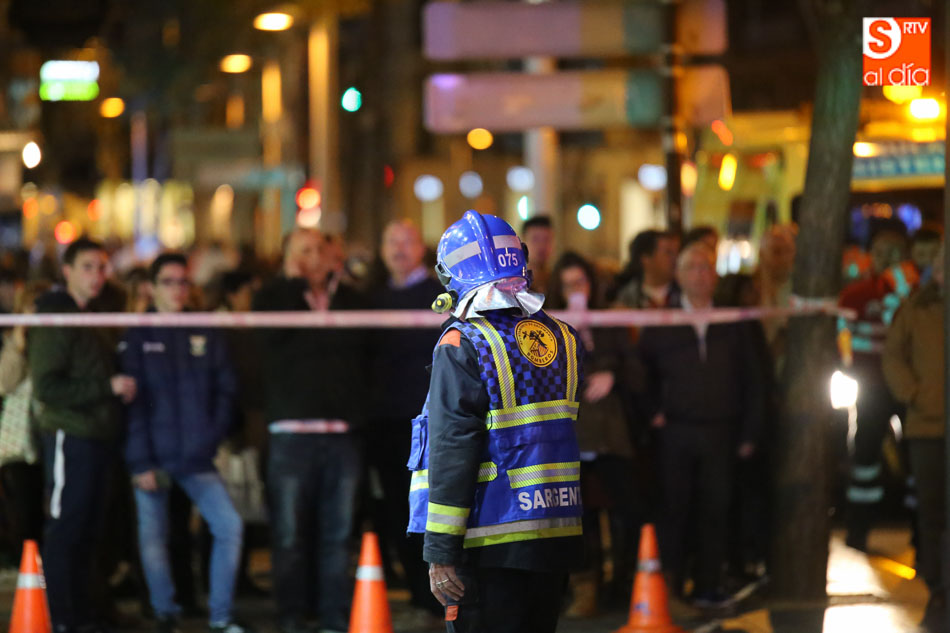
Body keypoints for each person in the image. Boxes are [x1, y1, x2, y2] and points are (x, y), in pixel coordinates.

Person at [407, 210, 584, 633]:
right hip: (554, 536)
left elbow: (453, 449)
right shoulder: (562, 336)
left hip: (487, 541)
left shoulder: (463, 342)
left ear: (451, 275)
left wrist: (441, 551)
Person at [120, 253, 245, 633]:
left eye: (183, 282)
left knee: (229, 527)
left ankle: (221, 617)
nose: (177, 289)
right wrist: (140, 461)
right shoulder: (138, 334)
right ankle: (165, 614)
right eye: (169, 282)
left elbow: (226, 390)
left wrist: (210, 437)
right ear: (151, 287)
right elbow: (132, 405)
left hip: (196, 455)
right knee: (153, 539)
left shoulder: (203, 329)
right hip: (154, 456)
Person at [638, 242, 765, 608]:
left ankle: (709, 584)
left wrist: (750, 432)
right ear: (678, 275)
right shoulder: (663, 322)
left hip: (721, 430)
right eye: (692, 267)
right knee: (674, 508)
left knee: (716, 509)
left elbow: (753, 379)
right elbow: (641, 371)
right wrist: (653, 411)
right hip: (676, 430)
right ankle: (671, 586)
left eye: (707, 267)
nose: (700, 274)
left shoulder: (733, 321)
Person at [253, 228, 365, 633]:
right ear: (287, 257)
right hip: (291, 433)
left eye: (320, 249)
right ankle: (291, 617)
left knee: (338, 536)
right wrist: (293, 284)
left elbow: (365, 359)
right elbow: (269, 339)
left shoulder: (351, 299)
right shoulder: (270, 297)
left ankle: (334, 617)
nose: (314, 257)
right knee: (289, 536)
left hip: (341, 433)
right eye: (304, 251)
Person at [29, 238, 138, 633]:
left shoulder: (92, 315)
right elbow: (47, 387)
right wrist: (106, 388)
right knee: (67, 529)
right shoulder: (56, 318)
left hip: (97, 435)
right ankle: (63, 618)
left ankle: (84, 613)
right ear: (67, 271)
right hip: (70, 435)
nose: (97, 276)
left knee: (90, 531)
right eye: (88, 267)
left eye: (102, 267)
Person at [547, 252, 641, 615]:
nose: (576, 290)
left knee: (626, 512)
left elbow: (635, 369)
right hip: (571, 434)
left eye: (581, 282)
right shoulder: (547, 324)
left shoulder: (609, 320)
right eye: (568, 284)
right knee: (578, 515)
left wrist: (612, 373)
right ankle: (586, 588)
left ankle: (625, 584)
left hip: (611, 435)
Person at [365, 220, 444, 617]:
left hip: (430, 421)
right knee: (398, 509)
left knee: (434, 507)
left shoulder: (439, 296)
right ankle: (418, 592)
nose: (398, 249)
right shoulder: (372, 300)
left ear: (421, 248)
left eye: (406, 241)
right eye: (390, 241)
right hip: (386, 421)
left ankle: (440, 592)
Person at [882, 243, 945, 632]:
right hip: (929, 426)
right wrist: (913, 393)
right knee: (933, 513)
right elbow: (893, 355)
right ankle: (938, 588)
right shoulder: (917, 310)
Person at [837, 225, 912, 551]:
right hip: (870, 387)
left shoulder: (914, 294)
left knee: (913, 458)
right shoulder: (856, 295)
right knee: (865, 457)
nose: (886, 259)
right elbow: (841, 336)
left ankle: (920, 535)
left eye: (894, 253)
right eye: (880, 252)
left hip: (908, 387)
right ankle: (858, 531)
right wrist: (847, 367)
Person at [0, 281, 50, 564]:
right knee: (25, 510)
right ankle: (28, 571)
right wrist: (18, 344)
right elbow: (4, 382)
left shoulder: (56, 342)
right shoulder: (13, 342)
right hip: (20, 440)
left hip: (48, 433)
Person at [614, 230, 680, 308]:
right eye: (668, 252)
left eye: (677, 252)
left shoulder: (686, 293)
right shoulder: (625, 297)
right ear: (646, 259)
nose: (676, 258)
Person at [521, 215, 555, 293]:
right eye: (535, 239)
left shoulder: (557, 282)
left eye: (546, 239)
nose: (542, 246)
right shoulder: (515, 285)